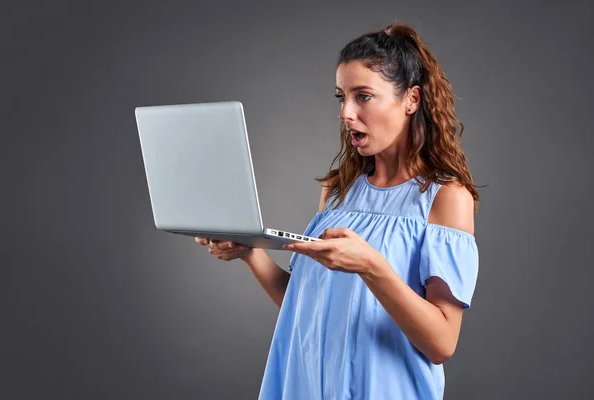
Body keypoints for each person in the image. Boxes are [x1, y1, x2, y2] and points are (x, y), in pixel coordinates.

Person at [196, 23, 479, 400]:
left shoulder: (445, 197)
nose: (345, 112)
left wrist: (370, 265)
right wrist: (250, 252)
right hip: (310, 384)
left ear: (411, 99)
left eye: (363, 96)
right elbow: (309, 304)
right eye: (341, 97)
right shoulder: (337, 192)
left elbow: (442, 342)